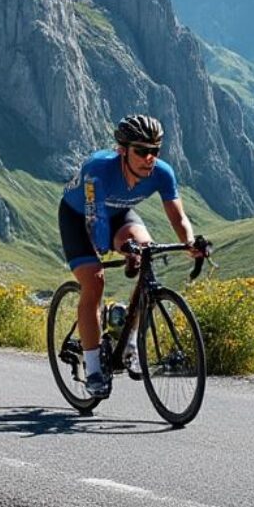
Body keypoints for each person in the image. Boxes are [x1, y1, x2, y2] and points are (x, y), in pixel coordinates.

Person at [58, 115, 203, 397]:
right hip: (80, 217)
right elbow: (96, 227)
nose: (149, 158)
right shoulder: (98, 170)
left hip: (119, 213)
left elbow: (178, 217)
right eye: (141, 151)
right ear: (122, 149)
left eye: (155, 151)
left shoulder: (162, 173)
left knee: (146, 252)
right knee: (95, 282)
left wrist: (189, 243)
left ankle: (131, 343)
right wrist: (119, 248)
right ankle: (94, 369)